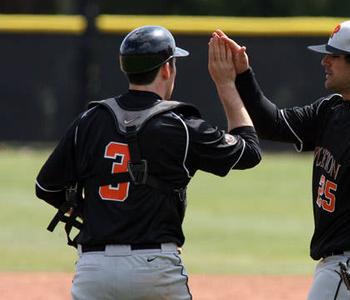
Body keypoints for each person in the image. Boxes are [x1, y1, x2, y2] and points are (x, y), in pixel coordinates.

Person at [35, 25, 261, 300]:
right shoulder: (180, 124)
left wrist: (94, 214)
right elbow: (249, 151)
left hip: (94, 269)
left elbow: (46, 187)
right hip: (154, 270)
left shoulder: (90, 120)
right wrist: (226, 83)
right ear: (167, 69)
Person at [210, 19, 350, 300]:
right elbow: (272, 124)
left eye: (334, 56)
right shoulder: (332, 109)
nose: (325, 61)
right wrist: (243, 74)